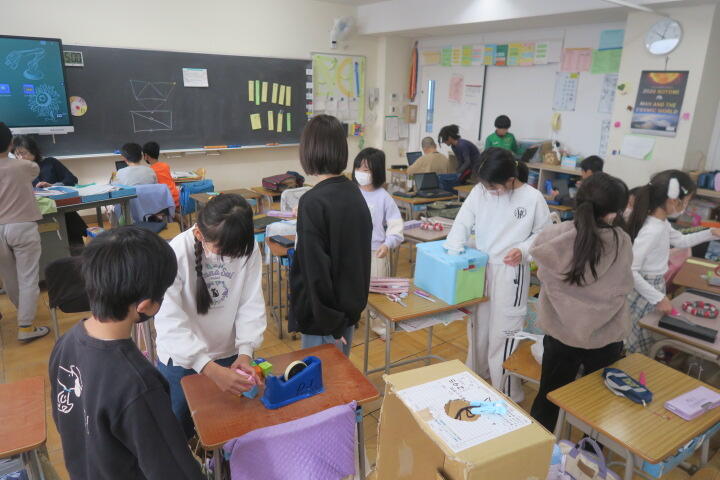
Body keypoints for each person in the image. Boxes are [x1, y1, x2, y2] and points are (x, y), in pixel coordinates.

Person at [49, 226, 203, 479]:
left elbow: (64, 417)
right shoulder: (139, 384)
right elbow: (174, 471)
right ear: (146, 306)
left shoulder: (65, 343)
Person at [154, 194, 266, 439]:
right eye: (224, 252)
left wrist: (245, 352)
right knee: (178, 429)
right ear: (199, 235)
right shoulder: (176, 252)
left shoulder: (248, 248)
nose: (232, 257)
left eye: (237, 252)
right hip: (182, 361)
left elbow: (251, 302)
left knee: (226, 427)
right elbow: (169, 321)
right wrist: (207, 367)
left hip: (229, 354)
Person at [444, 147, 550, 402]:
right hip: (480, 267)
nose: (489, 190)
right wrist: (453, 251)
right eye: (486, 185)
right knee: (478, 326)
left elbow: (543, 235)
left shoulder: (532, 198)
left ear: (511, 178)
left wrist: (523, 250)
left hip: (511, 271)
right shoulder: (480, 192)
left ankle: (506, 390)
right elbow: (462, 222)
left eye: (494, 186)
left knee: (504, 331)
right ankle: (476, 375)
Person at [529, 173, 633, 431]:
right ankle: (589, 450)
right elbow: (622, 286)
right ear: (613, 212)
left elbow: (544, 277)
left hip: (560, 334)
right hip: (604, 337)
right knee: (597, 404)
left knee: (548, 397)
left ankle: (539, 447)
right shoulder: (620, 241)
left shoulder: (554, 237)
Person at [289, 114, 372, 356]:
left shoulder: (312, 202)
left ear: (309, 151)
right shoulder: (354, 193)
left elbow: (315, 270)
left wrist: (331, 324)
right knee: (339, 372)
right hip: (346, 313)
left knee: (320, 377)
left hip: (324, 320)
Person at [625, 170, 720, 354]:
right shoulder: (652, 230)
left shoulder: (661, 223)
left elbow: (680, 241)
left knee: (648, 336)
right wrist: (658, 298)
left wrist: (710, 233)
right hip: (645, 288)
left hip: (654, 285)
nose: (686, 206)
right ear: (672, 200)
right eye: (686, 201)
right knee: (639, 340)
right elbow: (631, 270)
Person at [0, 122, 49, 342]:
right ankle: (26, 326)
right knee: (28, 277)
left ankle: (23, 312)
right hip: (22, 226)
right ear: (11, 143)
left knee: (9, 277)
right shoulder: (24, 166)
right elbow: (34, 169)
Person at [352, 147, 404, 338]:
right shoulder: (351, 192)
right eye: (358, 168)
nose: (360, 172)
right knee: (351, 288)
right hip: (352, 250)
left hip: (376, 251)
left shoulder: (384, 197)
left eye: (366, 169)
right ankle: (352, 319)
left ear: (377, 171)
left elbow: (396, 226)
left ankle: (381, 327)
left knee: (377, 292)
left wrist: (387, 244)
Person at [12, 135, 88, 247]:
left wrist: (53, 186)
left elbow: (72, 179)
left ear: (33, 151)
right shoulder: (16, 171)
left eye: (23, 153)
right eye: (17, 154)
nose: (21, 158)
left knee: (74, 241)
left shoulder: (50, 162)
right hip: (36, 215)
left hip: (62, 211)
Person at [143, 141, 180, 209]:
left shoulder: (149, 171)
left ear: (146, 156)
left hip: (166, 202)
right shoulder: (165, 166)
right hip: (176, 198)